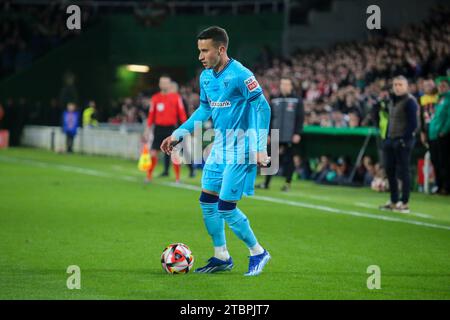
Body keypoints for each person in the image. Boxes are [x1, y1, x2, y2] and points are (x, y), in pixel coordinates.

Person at [160, 26, 271, 276]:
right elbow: (203, 111)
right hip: (220, 146)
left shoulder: (241, 75)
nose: (200, 56)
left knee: (226, 208)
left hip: (242, 146)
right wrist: (177, 134)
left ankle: (258, 252)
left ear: (221, 49)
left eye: (205, 51)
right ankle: (221, 255)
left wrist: (260, 148)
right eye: (199, 50)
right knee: (207, 203)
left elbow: (263, 108)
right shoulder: (206, 77)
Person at [379, 76, 419, 213]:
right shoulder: (392, 100)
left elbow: (414, 124)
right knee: (390, 170)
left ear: (406, 86)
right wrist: (387, 138)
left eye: (400, 84)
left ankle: (405, 201)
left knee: (404, 171)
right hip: (391, 139)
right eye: (395, 84)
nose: (397, 87)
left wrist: (403, 139)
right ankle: (394, 199)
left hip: (402, 141)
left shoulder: (410, 101)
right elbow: (390, 120)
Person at [257, 77, 304, 191]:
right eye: (282, 84)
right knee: (270, 159)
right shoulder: (275, 99)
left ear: (291, 86)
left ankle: (287, 184)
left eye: (287, 84)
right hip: (275, 134)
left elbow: (300, 118)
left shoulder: (297, 100)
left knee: (289, 160)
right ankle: (266, 183)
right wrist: (268, 134)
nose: (284, 86)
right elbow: (270, 117)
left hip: (289, 135)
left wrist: (297, 133)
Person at [144, 75, 187, 182]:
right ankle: (148, 176)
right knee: (153, 153)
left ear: (169, 84)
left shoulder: (176, 97)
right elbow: (151, 115)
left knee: (175, 153)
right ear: (159, 84)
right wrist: (147, 129)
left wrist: (186, 127)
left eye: (166, 82)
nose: (164, 84)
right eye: (162, 82)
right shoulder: (155, 98)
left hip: (171, 129)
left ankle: (177, 178)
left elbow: (182, 114)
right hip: (158, 129)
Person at [429, 77, 450, 195]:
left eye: (443, 86)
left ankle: (446, 187)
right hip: (433, 135)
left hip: (442, 135)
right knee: (436, 161)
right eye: (439, 86)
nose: (441, 88)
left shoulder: (448, 99)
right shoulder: (439, 99)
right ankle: (439, 185)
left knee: (444, 162)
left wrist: (444, 130)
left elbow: (449, 117)